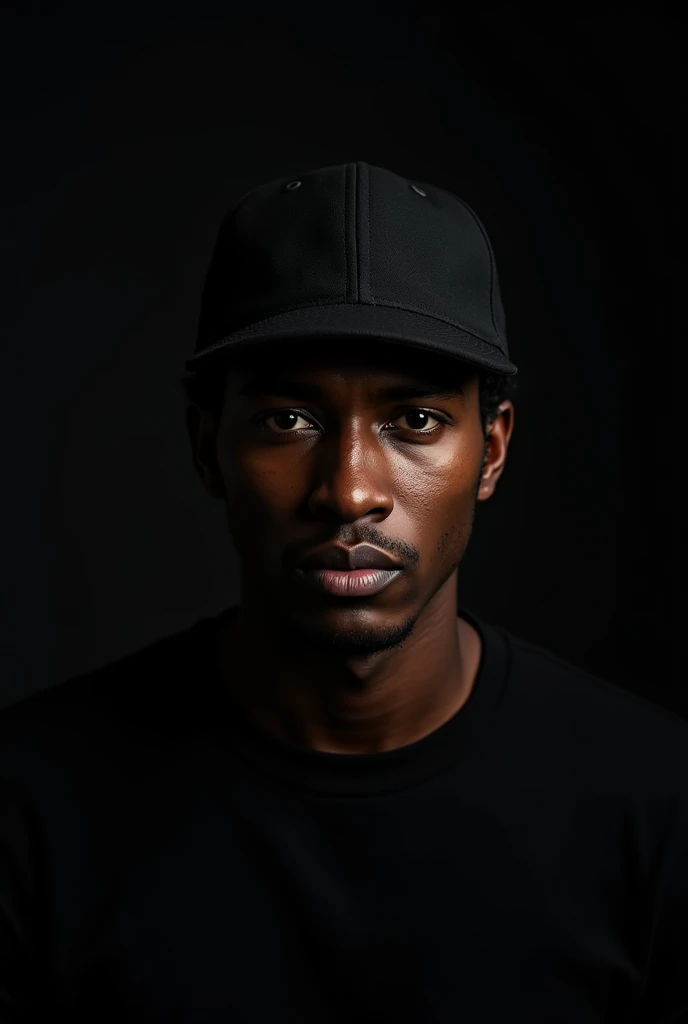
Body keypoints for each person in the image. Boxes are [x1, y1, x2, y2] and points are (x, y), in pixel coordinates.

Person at [1, 162, 686, 1023]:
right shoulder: (29, 816)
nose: (350, 488)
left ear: (494, 450)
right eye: (291, 419)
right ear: (207, 445)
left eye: (417, 421)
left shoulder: (659, 812)